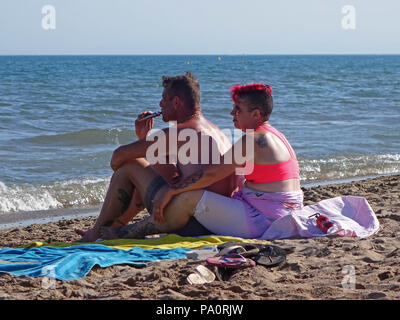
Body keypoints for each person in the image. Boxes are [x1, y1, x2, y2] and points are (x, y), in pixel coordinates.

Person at [99, 82, 303, 240]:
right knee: (189, 193)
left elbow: (213, 173)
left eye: (238, 110)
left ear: (256, 114)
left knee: (191, 198)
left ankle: (125, 232)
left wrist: (172, 191)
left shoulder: (255, 140)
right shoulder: (274, 135)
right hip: (278, 213)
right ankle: (115, 228)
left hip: (265, 220)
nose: (232, 114)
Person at [76, 72, 239, 242]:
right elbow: (173, 177)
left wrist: (122, 176)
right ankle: (109, 229)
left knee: (131, 165)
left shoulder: (182, 131)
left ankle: (95, 234)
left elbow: (118, 156)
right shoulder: (214, 130)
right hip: (213, 222)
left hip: (190, 221)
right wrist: (143, 138)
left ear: (176, 102)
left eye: (163, 99)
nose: (160, 104)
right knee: (142, 175)